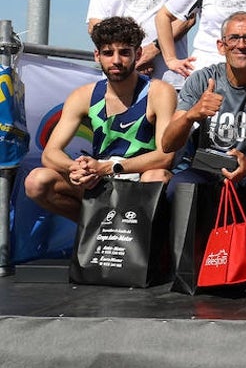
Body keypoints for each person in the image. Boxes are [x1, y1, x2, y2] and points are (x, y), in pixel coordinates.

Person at [24, 17, 176, 223]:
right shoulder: (83, 95)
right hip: (99, 179)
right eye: (107, 53)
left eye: (124, 52)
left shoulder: (159, 91)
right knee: (37, 181)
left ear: (138, 54)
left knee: (156, 177)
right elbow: (50, 154)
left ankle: (148, 248)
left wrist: (109, 168)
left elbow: (165, 157)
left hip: (139, 176)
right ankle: (92, 228)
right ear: (97, 56)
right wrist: (76, 169)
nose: (116, 60)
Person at [160, 12, 246, 194]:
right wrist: (190, 115)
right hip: (209, 170)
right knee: (178, 188)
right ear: (221, 46)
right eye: (233, 38)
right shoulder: (201, 80)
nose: (241, 45)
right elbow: (167, 145)